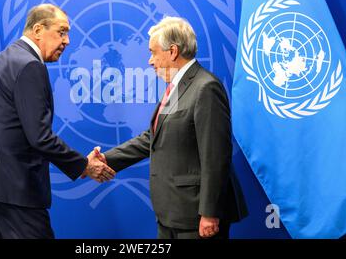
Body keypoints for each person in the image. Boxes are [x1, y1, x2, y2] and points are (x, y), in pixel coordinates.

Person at [0, 4, 115, 239]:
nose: (67, 41)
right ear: (38, 29)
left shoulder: (5, 57)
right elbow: (39, 136)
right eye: (61, 32)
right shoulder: (30, 65)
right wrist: (83, 165)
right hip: (13, 186)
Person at [99, 16, 248, 239]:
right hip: (171, 215)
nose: (150, 61)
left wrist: (209, 213)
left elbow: (216, 156)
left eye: (153, 52)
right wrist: (105, 160)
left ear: (172, 51)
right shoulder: (178, 86)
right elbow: (153, 137)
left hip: (196, 217)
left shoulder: (205, 87)